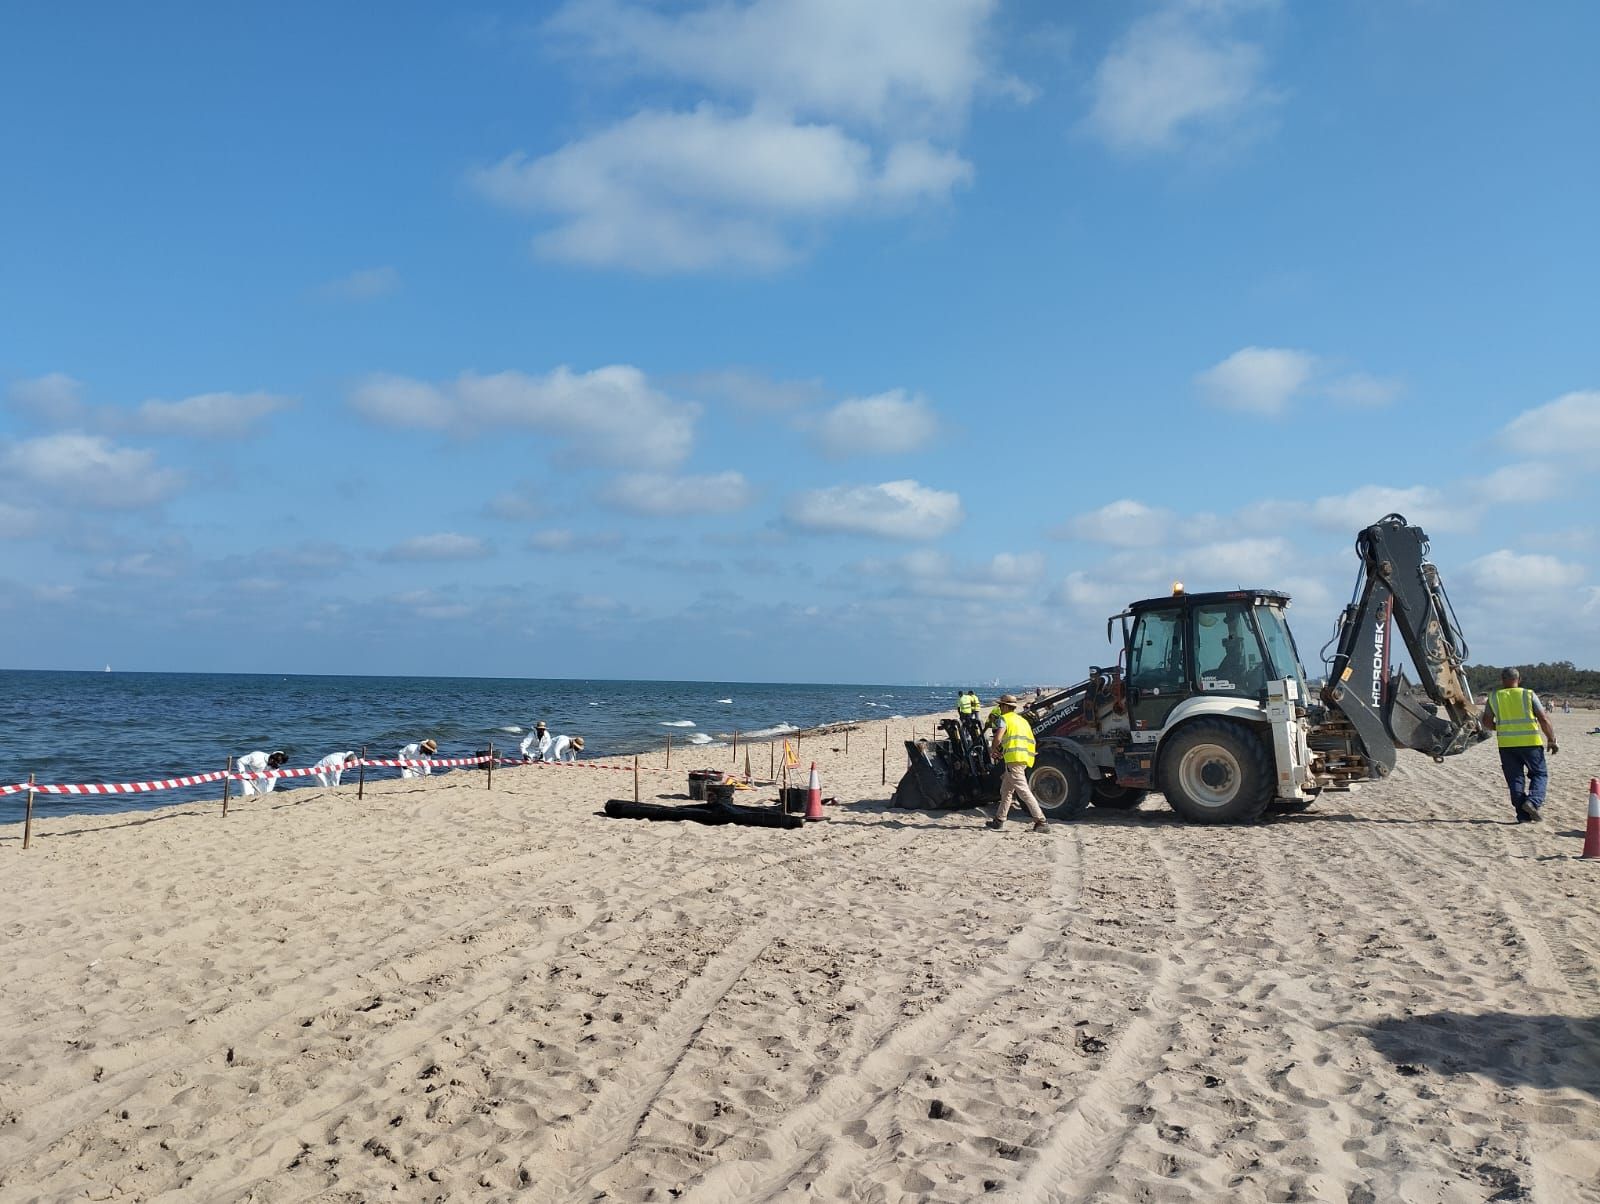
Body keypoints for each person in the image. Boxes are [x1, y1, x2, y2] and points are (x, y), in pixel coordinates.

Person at [1481, 668, 1558, 823]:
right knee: (1539, 774)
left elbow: (1487, 723)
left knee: (1515, 779)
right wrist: (1551, 739)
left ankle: (1523, 817)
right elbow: (1543, 718)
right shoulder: (1528, 694)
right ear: (1519, 679)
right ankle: (1533, 801)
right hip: (1530, 743)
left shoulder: (1494, 697)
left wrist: (1501, 728)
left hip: (1506, 745)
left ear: (1502, 679)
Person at [987, 694, 1048, 833]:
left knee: (1023, 790)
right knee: (1006, 790)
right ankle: (999, 819)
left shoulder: (1004, 719)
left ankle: (1041, 821)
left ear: (1004, 706)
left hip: (1014, 759)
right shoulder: (1022, 721)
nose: (999, 707)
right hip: (1023, 758)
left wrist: (993, 750)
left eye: (1000, 705)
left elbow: (998, 737)